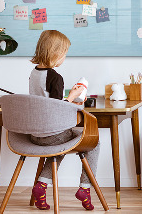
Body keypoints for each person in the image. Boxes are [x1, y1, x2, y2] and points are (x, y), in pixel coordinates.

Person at [29, 30, 99, 211]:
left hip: (35, 134)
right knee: (94, 142)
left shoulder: (34, 73)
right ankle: (85, 188)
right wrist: (74, 96)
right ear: (55, 53)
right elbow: (57, 109)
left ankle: (41, 186)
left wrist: (68, 97)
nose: (64, 58)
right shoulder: (55, 77)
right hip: (52, 134)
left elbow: (46, 102)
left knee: (59, 145)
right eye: (64, 53)